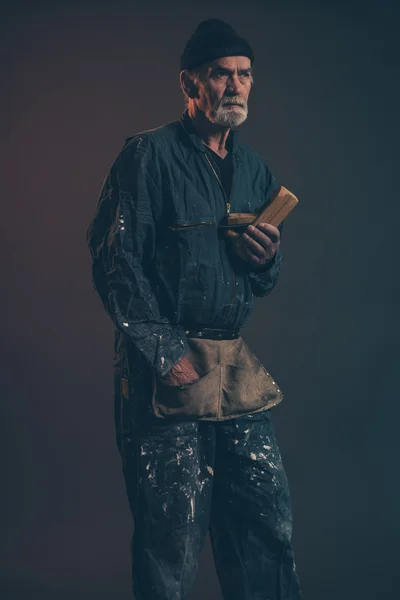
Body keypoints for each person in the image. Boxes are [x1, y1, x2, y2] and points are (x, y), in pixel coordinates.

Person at [86, 18, 302, 600]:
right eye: (220, 74)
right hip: (166, 370)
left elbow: (263, 281)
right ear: (190, 82)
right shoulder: (147, 156)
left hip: (232, 366)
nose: (235, 85)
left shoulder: (255, 171)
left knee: (264, 524)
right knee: (170, 536)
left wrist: (263, 259)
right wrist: (164, 351)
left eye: (245, 74)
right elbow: (115, 261)